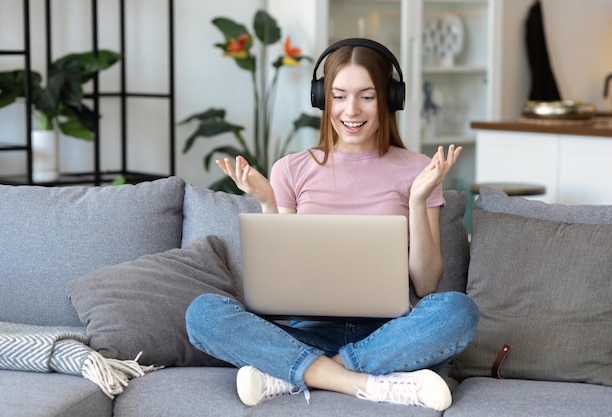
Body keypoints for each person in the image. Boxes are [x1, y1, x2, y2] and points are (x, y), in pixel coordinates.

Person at [186, 38, 479, 411]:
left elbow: (425, 284)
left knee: (457, 311)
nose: (351, 110)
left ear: (390, 99)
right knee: (202, 313)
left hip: (387, 336)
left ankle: (295, 374)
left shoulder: (418, 169)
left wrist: (418, 200)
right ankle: (365, 383)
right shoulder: (291, 169)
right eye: (339, 96)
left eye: (367, 97)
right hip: (306, 332)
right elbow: (280, 287)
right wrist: (268, 203)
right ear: (322, 98)